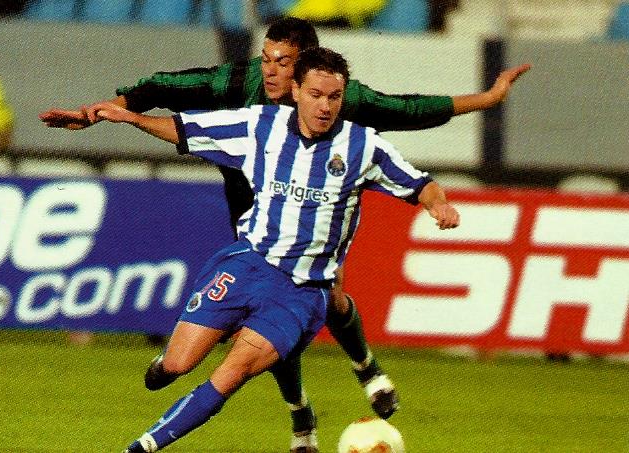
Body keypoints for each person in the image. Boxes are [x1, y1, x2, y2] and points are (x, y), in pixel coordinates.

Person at [39, 17, 529, 452]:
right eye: (313, 93)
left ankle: (143, 447)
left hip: (304, 285)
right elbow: (182, 123)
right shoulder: (256, 118)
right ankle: (258, 391)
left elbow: (415, 155)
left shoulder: (361, 141)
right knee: (176, 366)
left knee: (237, 367)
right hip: (248, 255)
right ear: (296, 89)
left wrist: (439, 200)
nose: (325, 105)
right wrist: (125, 115)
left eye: (333, 97)